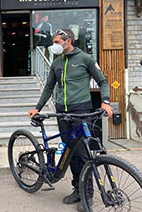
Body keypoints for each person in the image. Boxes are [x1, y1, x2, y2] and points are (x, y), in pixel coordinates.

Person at [28, 29, 113, 212]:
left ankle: (87, 195)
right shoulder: (56, 63)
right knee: (70, 153)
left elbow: (103, 82)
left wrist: (105, 102)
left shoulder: (85, 59)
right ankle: (77, 188)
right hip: (62, 113)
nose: (55, 45)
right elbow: (49, 87)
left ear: (68, 41)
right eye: (54, 42)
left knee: (83, 155)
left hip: (81, 111)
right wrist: (38, 107)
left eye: (57, 41)